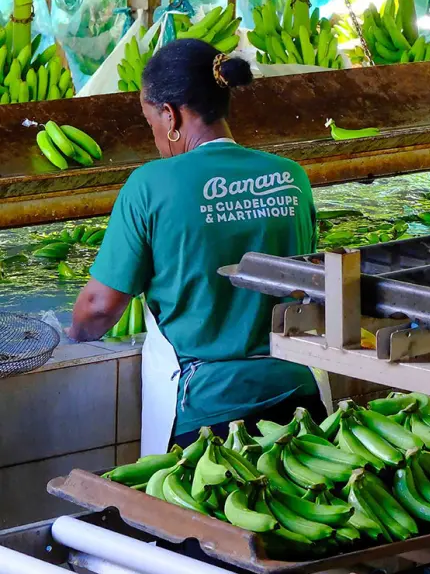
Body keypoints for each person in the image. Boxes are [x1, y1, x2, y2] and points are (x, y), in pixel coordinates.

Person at [69, 38, 321, 451]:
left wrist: (73, 334)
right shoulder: (292, 178)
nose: (153, 135)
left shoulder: (151, 185)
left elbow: (99, 308)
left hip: (206, 415)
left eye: (149, 119)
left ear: (170, 115)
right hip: (300, 398)